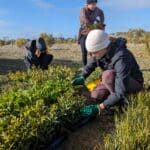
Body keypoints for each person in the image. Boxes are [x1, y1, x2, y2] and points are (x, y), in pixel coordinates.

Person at [74, 30, 144, 116]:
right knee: (96, 95)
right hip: (114, 81)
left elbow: (120, 91)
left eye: (94, 52)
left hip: (132, 83)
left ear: (104, 47)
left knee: (107, 75)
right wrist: (82, 76)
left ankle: (123, 103)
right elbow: (91, 64)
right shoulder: (100, 52)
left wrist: (100, 107)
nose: (92, 55)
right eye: (90, 53)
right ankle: (112, 100)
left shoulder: (121, 57)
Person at [78, 0, 105, 67]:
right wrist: (93, 26)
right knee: (84, 51)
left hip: (93, 31)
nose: (93, 6)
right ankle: (85, 67)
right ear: (87, 4)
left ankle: (94, 65)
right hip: (84, 31)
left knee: (94, 50)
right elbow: (85, 20)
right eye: (92, 4)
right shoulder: (83, 10)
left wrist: (100, 22)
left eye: (95, 4)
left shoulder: (97, 10)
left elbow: (102, 14)